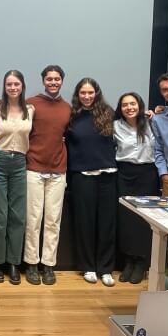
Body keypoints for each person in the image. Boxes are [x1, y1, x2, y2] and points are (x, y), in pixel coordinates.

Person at [66, 78, 118, 287]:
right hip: (81, 176)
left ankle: (105, 269)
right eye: (83, 93)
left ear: (96, 93)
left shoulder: (109, 113)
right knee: (84, 223)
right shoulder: (71, 117)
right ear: (78, 95)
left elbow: (134, 118)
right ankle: (88, 267)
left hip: (107, 175)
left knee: (107, 224)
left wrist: (153, 112)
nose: (87, 97)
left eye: (90, 93)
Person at [23, 65, 71, 286]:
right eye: (49, 79)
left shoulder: (67, 108)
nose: (53, 82)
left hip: (57, 171)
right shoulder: (31, 104)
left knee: (53, 221)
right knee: (33, 219)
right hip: (33, 168)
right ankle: (31, 264)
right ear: (43, 81)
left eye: (57, 79)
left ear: (61, 81)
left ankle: (48, 265)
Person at [0, 70, 34, 285]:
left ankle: (13, 262)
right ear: (4, 87)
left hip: (19, 164)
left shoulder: (30, 110)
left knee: (17, 216)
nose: (13, 88)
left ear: (22, 86)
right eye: (9, 84)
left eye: (16, 84)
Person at [114, 92, 159, 285]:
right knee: (126, 219)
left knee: (144, 219)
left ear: (140, 105)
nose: (129, 108)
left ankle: (141, 262)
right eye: (125, 105)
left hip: (147, 174)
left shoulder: (152, 123)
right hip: (124, 174)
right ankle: (128, 261)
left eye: (133, 104)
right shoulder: (115, 126)